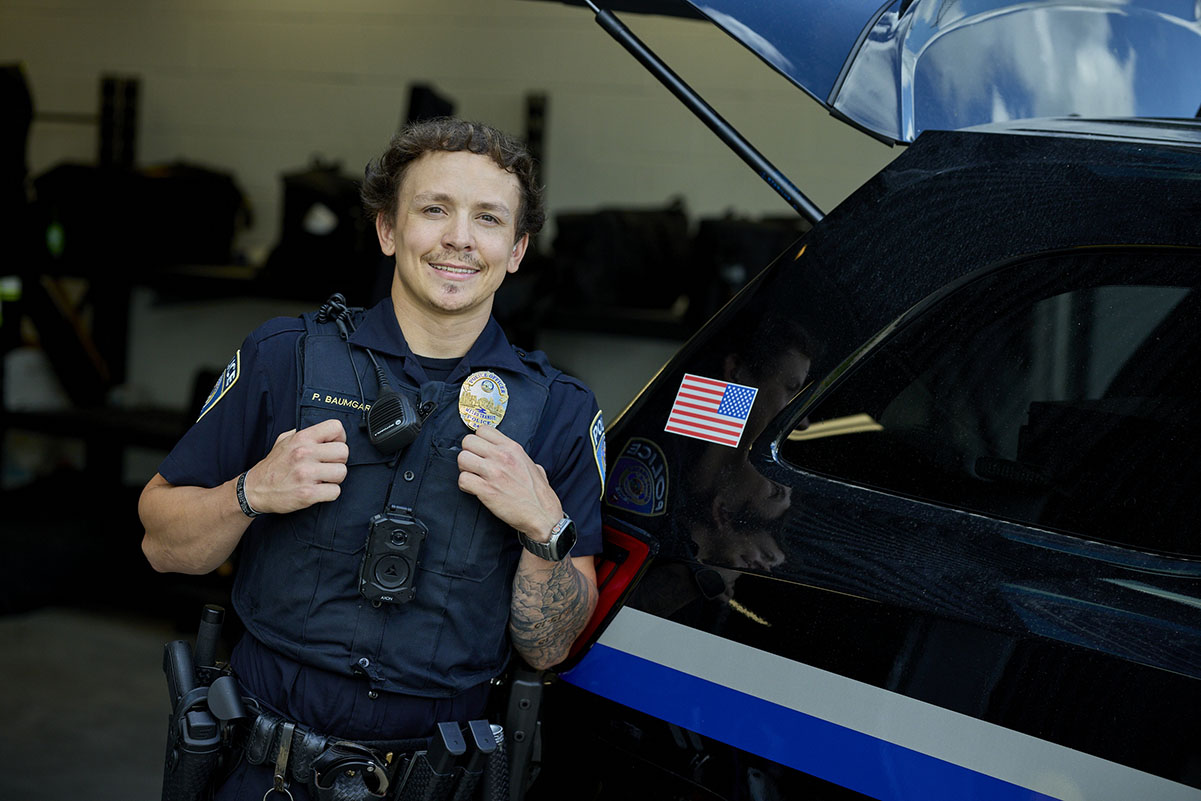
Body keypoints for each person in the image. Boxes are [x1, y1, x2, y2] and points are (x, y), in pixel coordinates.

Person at [138, 117, 604, 800]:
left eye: (488, 219)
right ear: (388, 230)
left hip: (437, 780)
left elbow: (548, 647)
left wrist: (543, 532)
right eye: (434, 209)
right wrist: (250, 491)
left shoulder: (560, 411)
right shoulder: (284, 358)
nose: (459, 238)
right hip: (262, 773)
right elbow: (160, 543)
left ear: (516, 249)